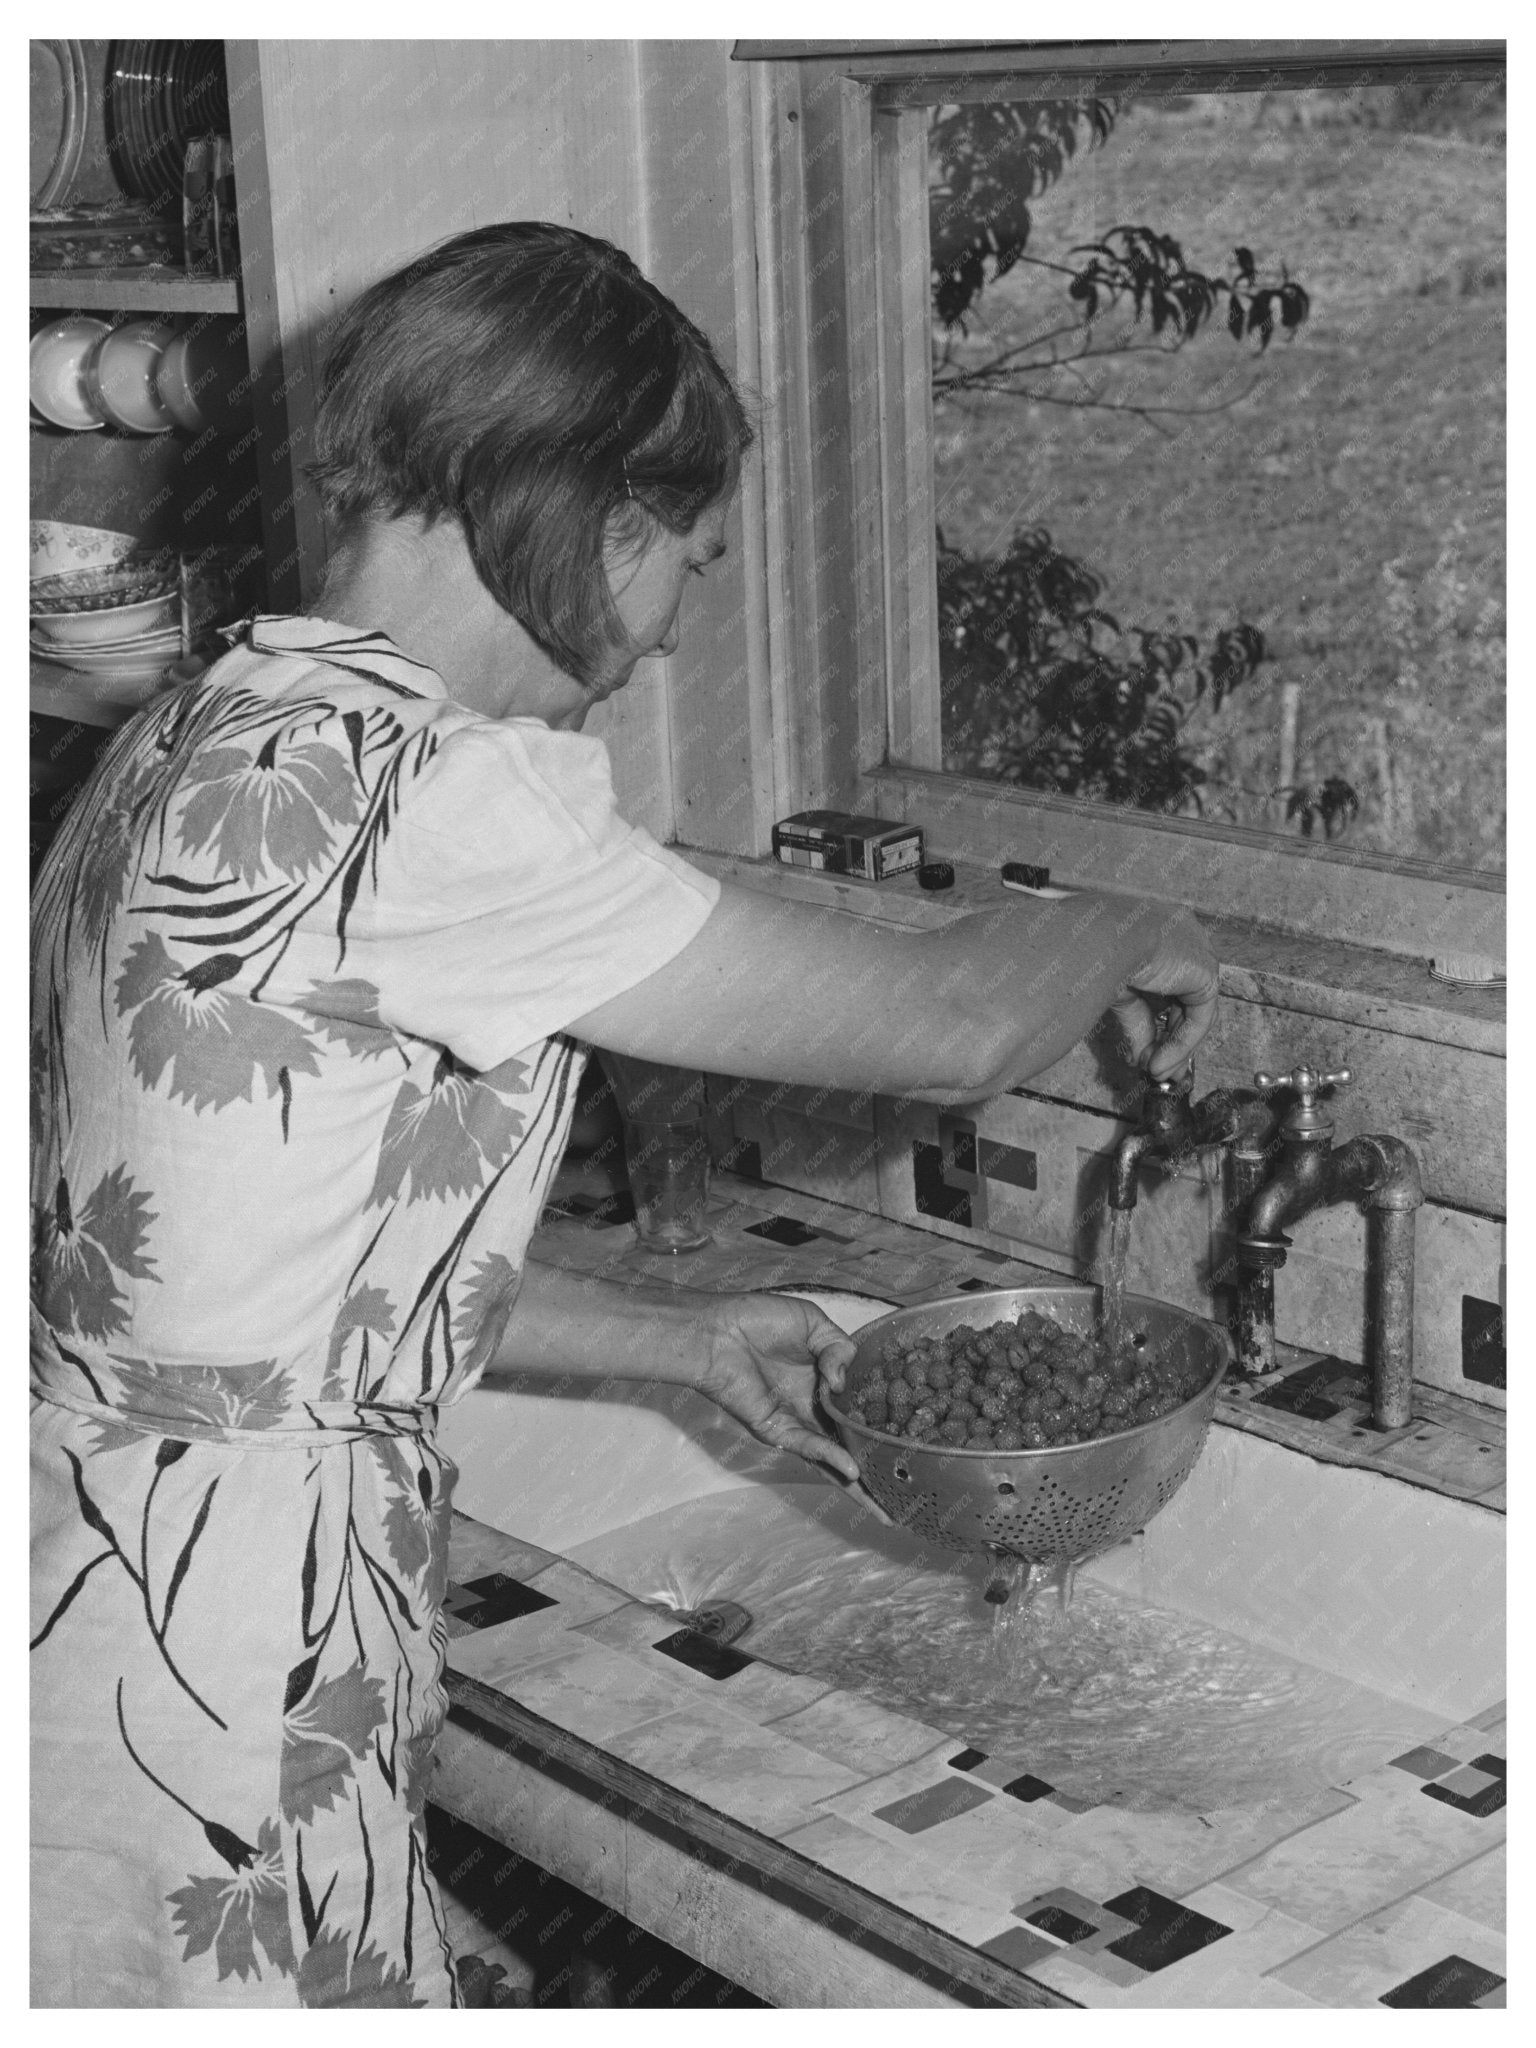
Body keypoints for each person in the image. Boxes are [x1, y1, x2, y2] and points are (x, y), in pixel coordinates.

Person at [30, 221, 1219, 2008]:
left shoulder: (207, 724)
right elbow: (958, 1025)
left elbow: (264, 1282)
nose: (666, 632)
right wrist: (1146, 921)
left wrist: (677, 1338)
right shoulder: (436, 794)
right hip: (226, 1646)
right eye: (691, 564)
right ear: (600, 519)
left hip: (94, 1586)